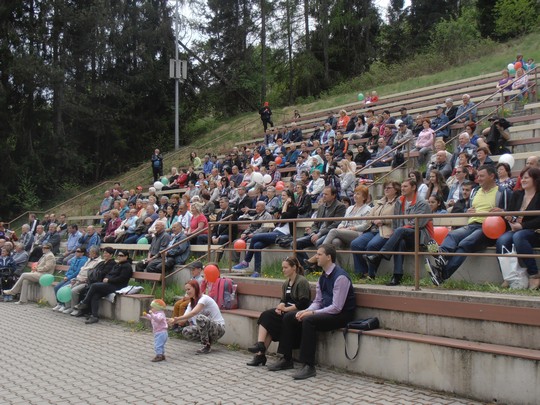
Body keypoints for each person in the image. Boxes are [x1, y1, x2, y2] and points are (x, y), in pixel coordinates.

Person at [267, 244, 355, 380]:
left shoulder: (340, 277)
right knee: (290, 317)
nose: (316, 257)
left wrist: (312, 314)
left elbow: (337, 307)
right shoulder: (322, 277)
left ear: (329, 257)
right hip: (326, 311)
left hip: (341, 315)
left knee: (309, 320)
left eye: (319, 254)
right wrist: (306, 310)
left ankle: (308, 366)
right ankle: (286, 358)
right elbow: (318, 301)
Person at [428, 165, 512, 285]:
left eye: (482, 176)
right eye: (478, 176)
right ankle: (442, 255)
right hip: (472, 224)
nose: (478, 178)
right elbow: (470, 208)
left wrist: (503, 212)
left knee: (465, 243)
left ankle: (442, 274)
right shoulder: (475, 191)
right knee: (452, 235)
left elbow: (509, 212)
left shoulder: (502, 192)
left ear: (492, 176)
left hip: (488, 229)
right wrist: (467, 211)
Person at [246, 257, 311, 367]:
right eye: (283, 268)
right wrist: (280, 305)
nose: (283, 270)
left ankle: (261, 353)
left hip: (298, 313)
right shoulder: (286, 283)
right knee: (267, 315)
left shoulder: (301, 281)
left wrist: (286, 309)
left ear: (294, 267)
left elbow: (303, 304)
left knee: (273, 322)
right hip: (286, 312)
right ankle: (260, 348)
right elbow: (284, 300)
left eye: (286, 267)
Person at [365, 179, 432, 286]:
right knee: (399, 241)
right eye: (402, 187)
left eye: (405, 186)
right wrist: (397, 232)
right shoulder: (400, 202)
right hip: (403, 234)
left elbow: (418, 224)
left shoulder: (422, 203)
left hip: (421, 236)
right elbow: (396, 222)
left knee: (400, 231)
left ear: (414, 187)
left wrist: (399, 231)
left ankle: (381, 255)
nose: (402, 189)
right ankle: (397, 275)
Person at [305, 185, 372, 272]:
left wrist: (352, 228)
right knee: (335, 242)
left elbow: (365, 225)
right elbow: (343, 222)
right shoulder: (350, 208)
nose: (355, 195)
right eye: (354, 193)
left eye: (358, 194)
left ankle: (317, 256)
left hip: (357, 234)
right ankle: (339, 269)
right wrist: (341, 227)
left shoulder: (368, 209)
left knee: (333, 231)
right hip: (344, 232)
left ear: (364, 197)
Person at [233, 190, 298, 277]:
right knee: (257, 246)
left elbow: (285, 217)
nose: (282, 197)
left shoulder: (294, 208)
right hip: (277, 231)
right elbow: (270, 210)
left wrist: (286, 204)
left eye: (284, 195)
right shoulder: (282, 206)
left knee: (255, 237)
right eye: (281, 195)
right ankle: (257, 272)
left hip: (284, 234)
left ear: (289, 197)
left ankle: (246, 262)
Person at [496, 167, 540, 289]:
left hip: (534, 231)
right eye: (522, 177)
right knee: (502, 240)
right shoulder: (517, 194)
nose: (523, 180)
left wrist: (522, 226)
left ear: (535, 179)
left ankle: (534, 275)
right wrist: (510, 219)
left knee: (519, 236)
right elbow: (510, 213)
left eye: (526, 177)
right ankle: (508, 276)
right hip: (516, 229)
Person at [351, 181, 400, 278]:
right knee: (355, 244)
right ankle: (362, 272)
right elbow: (370, 215)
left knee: (372, 245)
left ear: (396, 190)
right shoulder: (380, 202)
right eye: (385, 187)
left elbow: (398, 218)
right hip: (373, 229)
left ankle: (371, 274)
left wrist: (383, 220)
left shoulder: (398, 202)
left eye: (389, 188)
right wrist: (374, 220)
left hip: (386, 230)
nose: (386, 189)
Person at [73, 249, 133, 324]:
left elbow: (122, 278)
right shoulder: (118, 264)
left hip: (118, 286)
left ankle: (84, 302)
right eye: (118, 255)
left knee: (94, 286)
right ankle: (94, 316)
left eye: (121, 256)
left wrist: (109, 280)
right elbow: (110, 273)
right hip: (110, 284)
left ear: (126, 257)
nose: (119, 257)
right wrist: (106, 278)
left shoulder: (127, 266)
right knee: (95, 294)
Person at [170, 280, 226, 354]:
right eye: (186, 290)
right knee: (186, 331)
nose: (187, 292)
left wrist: (177, 318)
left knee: (200, 318)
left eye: (189, 289)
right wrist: (171, 321)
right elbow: (183, 319)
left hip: (218, 329)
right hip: (207, 330)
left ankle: (206, 346)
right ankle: (208, 342)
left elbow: (194, 313)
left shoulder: (204, 298)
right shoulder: (191, 304)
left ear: (195, 288)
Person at [295, 187, 346, 264]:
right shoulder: (322, 206)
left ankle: (313, 264)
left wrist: (319, 234)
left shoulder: (340, 206)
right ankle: (307, 266)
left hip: (328, 233)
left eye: (326, 194)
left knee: (319, 243)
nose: (323, 196)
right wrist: (313, 233)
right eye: (323, 194)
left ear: (333, 195)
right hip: (317, 233)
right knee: (295, 243)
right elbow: (315, 223)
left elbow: (335, 224)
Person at [51, 248, 88, 313]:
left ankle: (64, 305)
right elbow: (70, 269)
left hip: (73, 278)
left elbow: (77, 272)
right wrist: (66, 276)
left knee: (63, 288)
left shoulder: (83, 260)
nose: (76, 252)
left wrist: (68, 277)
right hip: (68, 277)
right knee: (56, 287)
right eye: (76, 251)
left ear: (83, 253)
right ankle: (59, 303)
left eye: (78, 251)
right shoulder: (74, 259)